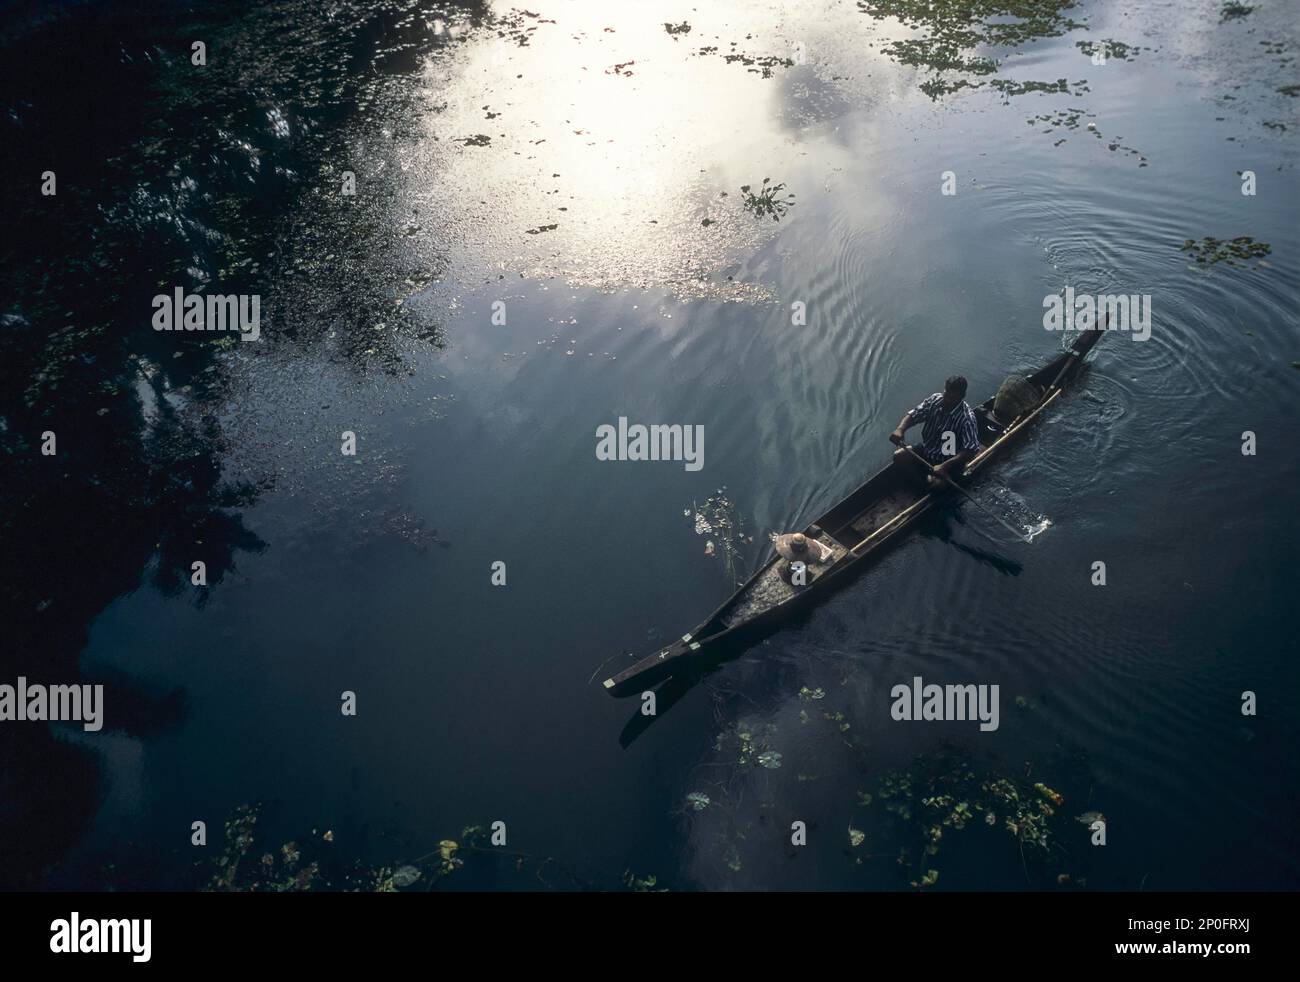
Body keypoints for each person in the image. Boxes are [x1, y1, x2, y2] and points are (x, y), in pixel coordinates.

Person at [889, 375, 980, 491]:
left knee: (937, 486)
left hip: (949, 462)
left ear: (962, 397)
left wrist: (944, 466)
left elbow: (970, 450)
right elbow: (914, 415)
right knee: (899, 456)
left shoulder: (967, 418)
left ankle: (927, 486)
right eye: (946, 394)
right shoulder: (935, 400)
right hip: (928, 450)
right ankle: (922, 485)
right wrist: (900, 429)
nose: (947, 400)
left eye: (952, 398)